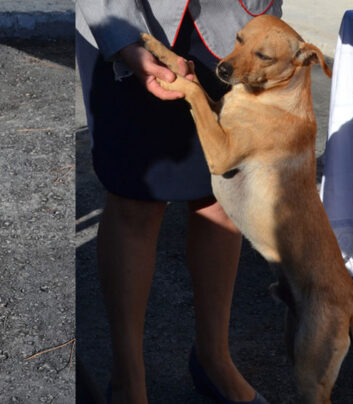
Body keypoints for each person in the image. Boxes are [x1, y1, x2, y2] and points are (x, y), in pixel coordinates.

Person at [76, 1, 282, 403]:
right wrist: (124, 41)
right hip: (128, 15)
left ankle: (214, 359)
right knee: (137, 198)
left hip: (236, 23)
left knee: (222, 193)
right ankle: (128, 381)